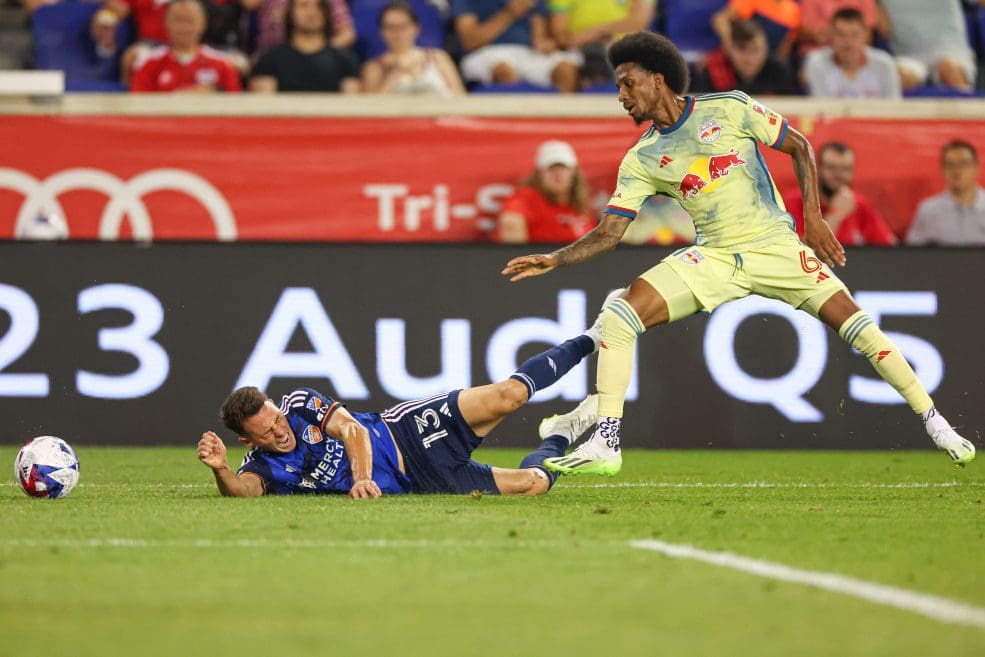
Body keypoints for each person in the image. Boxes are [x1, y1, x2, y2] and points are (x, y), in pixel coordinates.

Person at [501, 31, 975, 475]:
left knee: (863, 332)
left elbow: (800, 146)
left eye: (628, 84)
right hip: (716, 258)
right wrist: (554, 259)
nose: (621, 96)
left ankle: (935, 421)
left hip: (777, 248)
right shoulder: (642, 158)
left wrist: (813, 217)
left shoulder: (729, 108)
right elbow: (609, 233)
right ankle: (606, 440)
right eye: (618, 87)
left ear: (656, 79)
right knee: (622, 314)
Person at [197, 318, 611, 497]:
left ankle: (592, 336)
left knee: (510, 396)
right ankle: (561, 433)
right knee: (533, 484)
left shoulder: (299, 404)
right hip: (424, 480)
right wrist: (220, 470)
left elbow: (353, 430)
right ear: (247, 439)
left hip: (406, 431)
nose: (280, 431)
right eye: (266, 433)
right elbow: (243, 490)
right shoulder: (262, 466)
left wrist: (360, 478)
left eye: (276, 420)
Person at [782, 141, 897, 246]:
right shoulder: (794, 201)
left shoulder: (859, 204)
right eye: (831, 168)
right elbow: (804, 252)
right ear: (817, 170)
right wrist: (835, 214)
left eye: (846, 169)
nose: (838, 175)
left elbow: (889, 246)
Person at [452, 0, 582, 92]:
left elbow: (539, 34)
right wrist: (510, 13)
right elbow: (469, 41)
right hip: (485, 52)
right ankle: (513, 129)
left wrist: (544, 44)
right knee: (503, 69)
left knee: (566, 69)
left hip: (528, 53)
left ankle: (561, 127)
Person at [131, 0, 242, 93]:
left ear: (203, 23)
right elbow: (138, 107)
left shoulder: (223, 65)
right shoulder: (147, 64)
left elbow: (235, 106)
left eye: (190, 21)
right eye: (178, 20)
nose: (184, 27)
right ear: (166, 23)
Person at [249, 0, 361, 92]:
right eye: (304, 5)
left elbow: (351, 112)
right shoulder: (269, 61)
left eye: (319, 6)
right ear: (290, 12)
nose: (312, 12)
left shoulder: (346, 61)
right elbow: (265, 112)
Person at [497, 139, 595, 243]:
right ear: (539, 174)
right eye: (551, 169)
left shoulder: (582, 205)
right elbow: (511, 221)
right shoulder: (527, 199)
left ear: (574, 173)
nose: (557, 175)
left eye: (563, 168)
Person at [361, 1, 466, 96]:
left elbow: (460, 97)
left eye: (402, 27)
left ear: (416, 28)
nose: (397, 33)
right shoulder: (373, 67)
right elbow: (372, 109)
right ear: (381, 31)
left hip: (443, 115)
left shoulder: (438, 57)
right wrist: (396, 73)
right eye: (390, 27)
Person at [802, 7, 901, 99]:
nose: (847, 41)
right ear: (831, 35)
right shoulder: (817, 63)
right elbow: (820, 109)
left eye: (854, 35)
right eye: (841, 35)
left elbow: (894, 108)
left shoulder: (884, 64)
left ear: (865, 35)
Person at [879, 0, 976, 92]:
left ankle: (972, 108)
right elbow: (884, 29)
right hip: (908, 57)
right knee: (898, 77)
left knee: (949, 70)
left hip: (951, 52)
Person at [906, 140, 985, 246]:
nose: (957, 171)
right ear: (942, 170)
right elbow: (912, 254)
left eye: (963, 164)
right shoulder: (928, 210)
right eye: (950, 165)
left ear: (976, 168)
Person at [691, 19, 796, 96]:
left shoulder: (779, 72)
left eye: (756, 50)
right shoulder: (713, 71)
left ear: (766, 49)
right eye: (742, 50)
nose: (749, 59)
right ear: (730, 48)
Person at [711, 0, 802, 61]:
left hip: (767, 62)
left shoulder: (794, 9)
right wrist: (731, 46)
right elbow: (720, 20)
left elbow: (785, 46)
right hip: (742, 57)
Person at [254, 0, 355, 55]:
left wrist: (319, 51)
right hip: (269, 57)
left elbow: (347, 35)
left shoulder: (331, 2)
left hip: (319, 60)